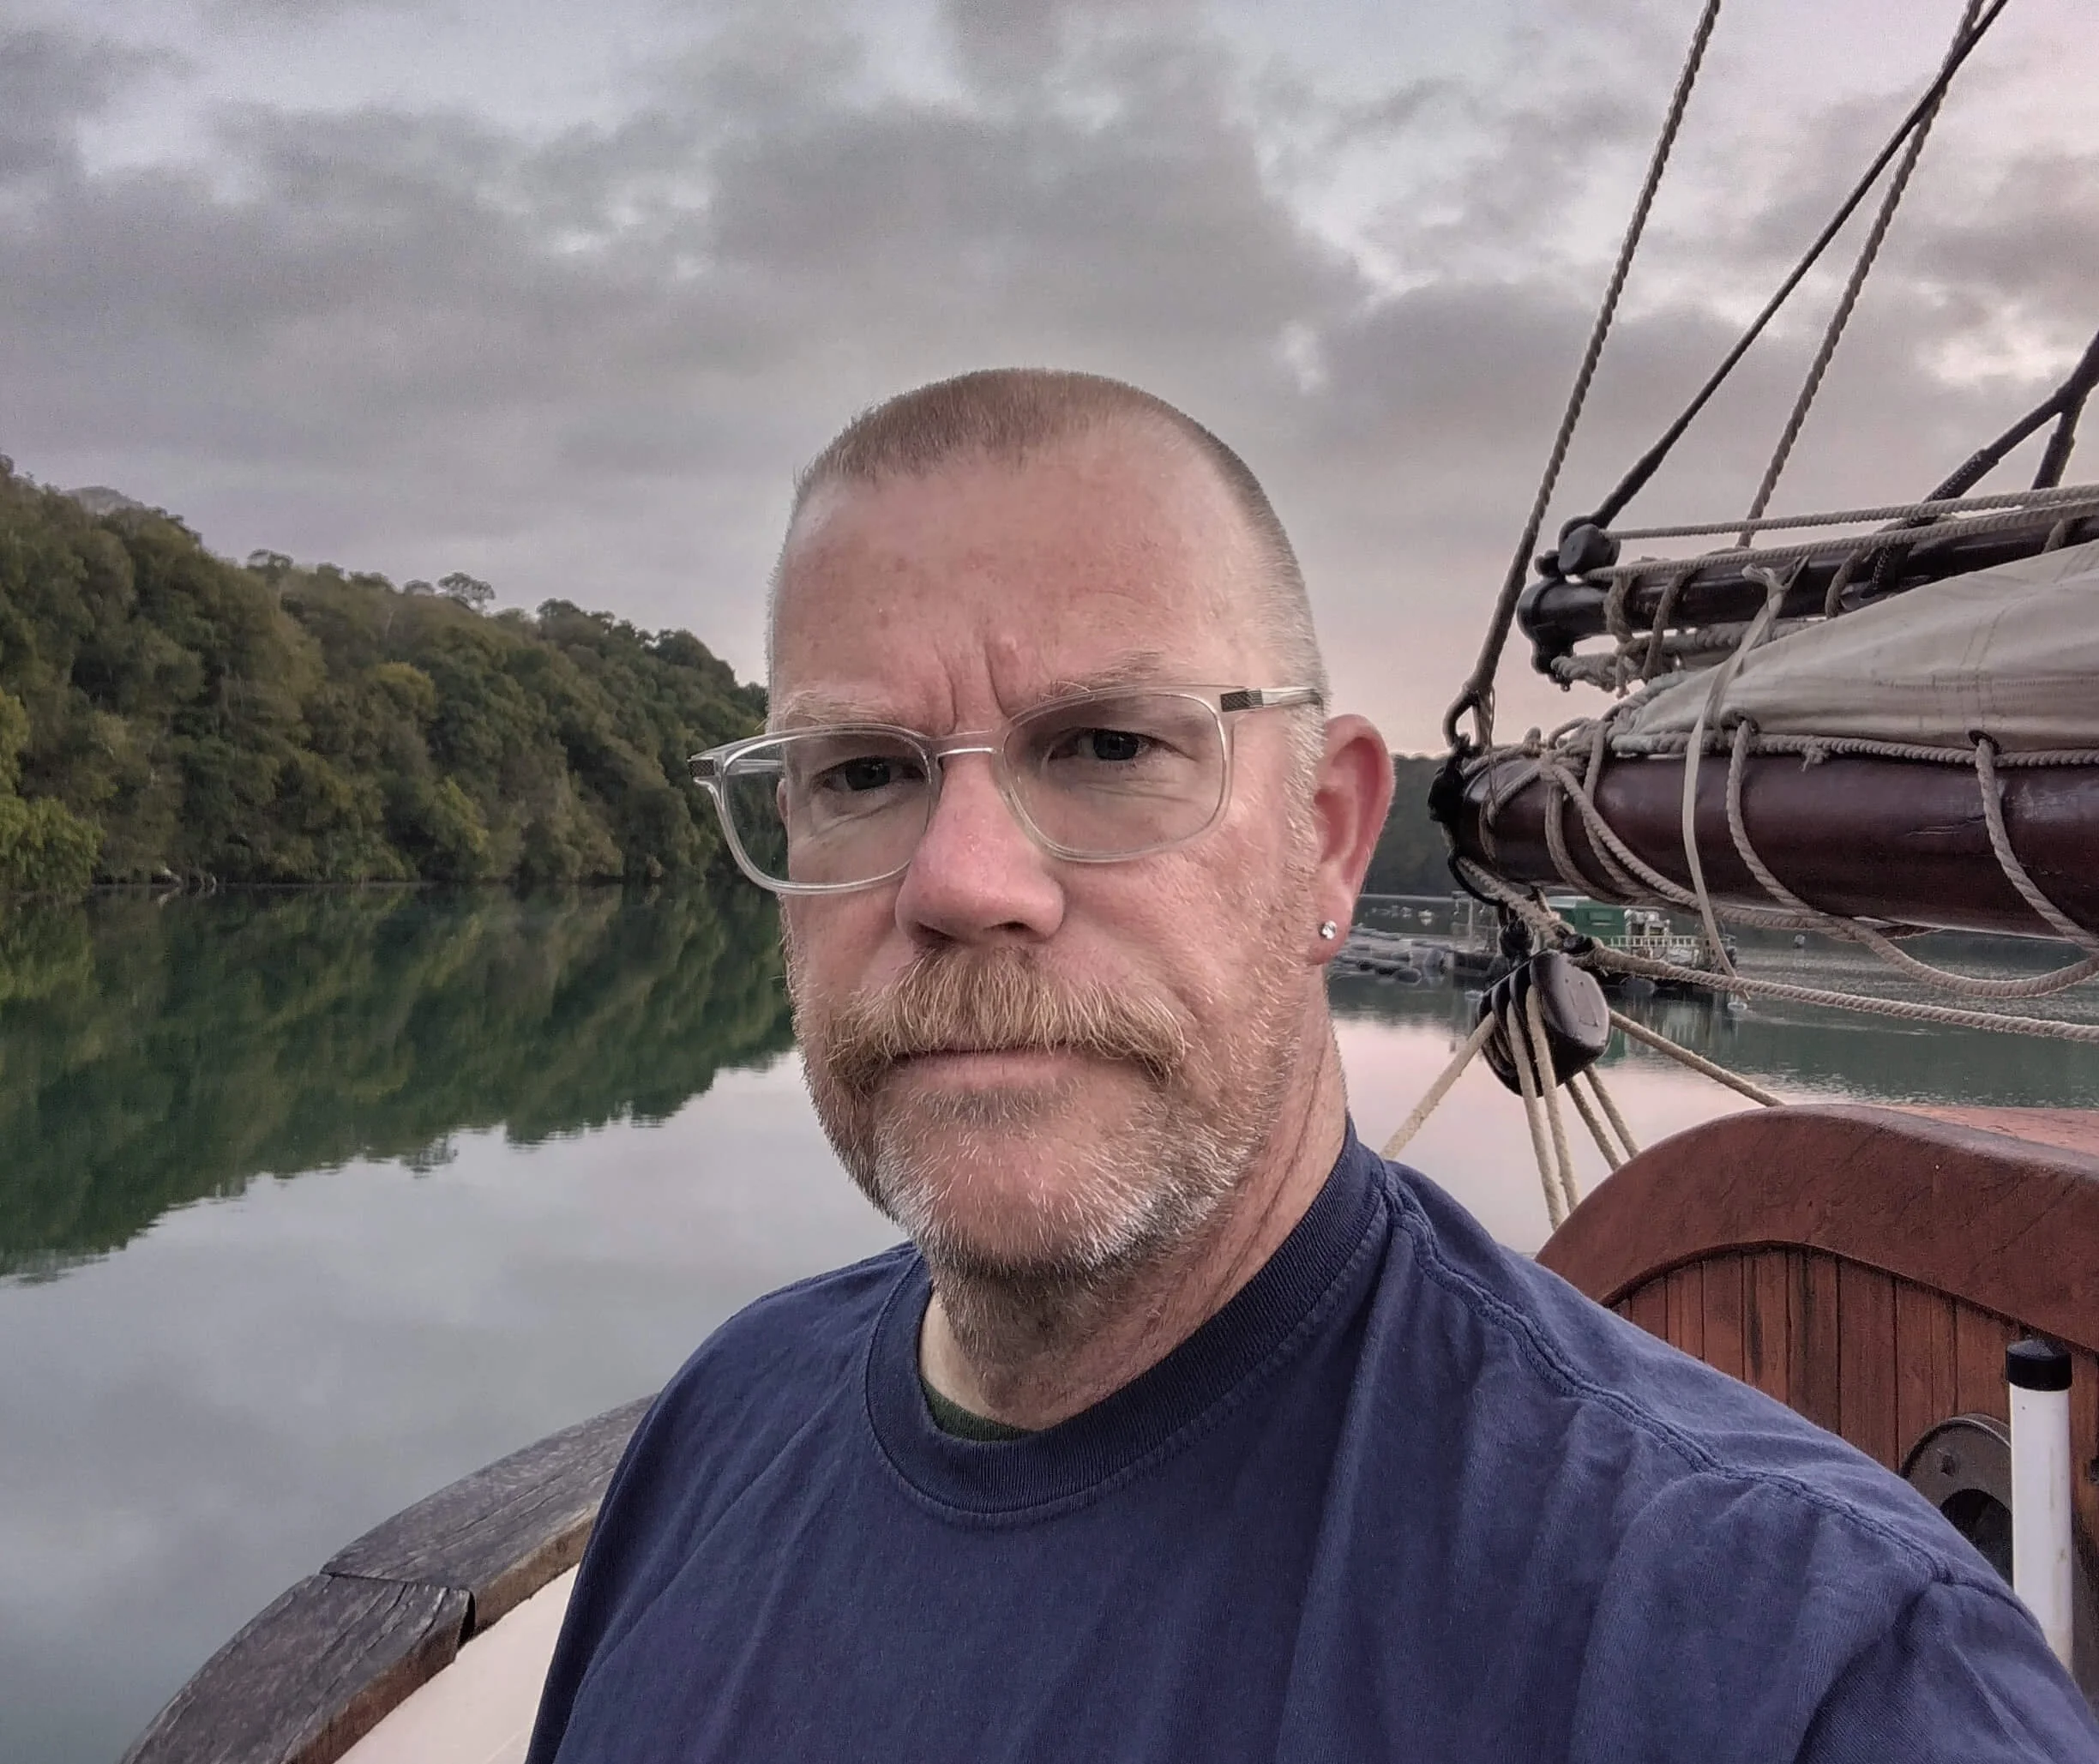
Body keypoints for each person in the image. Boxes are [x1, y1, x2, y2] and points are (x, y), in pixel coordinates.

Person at [526, 370, 2098, 1762]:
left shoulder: (1796, 1670)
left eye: (1110, 746)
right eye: (863, 772)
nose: (963, 882)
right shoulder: (719, 1428)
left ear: (1330, 842)